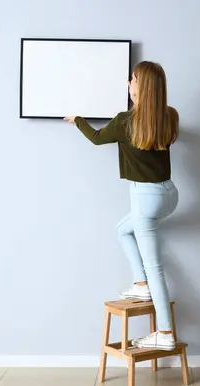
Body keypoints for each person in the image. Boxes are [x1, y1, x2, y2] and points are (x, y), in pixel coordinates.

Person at [64, 61, 179, 351]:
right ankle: (140, 285)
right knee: (121, 230)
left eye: (132, 79)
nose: (128, 83)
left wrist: (78, 120)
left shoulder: (124, 121)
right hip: (169, 195)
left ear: (140, 87)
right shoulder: (170, 116)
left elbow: (97, 138)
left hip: (145, 197)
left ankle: (165, 332)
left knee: (156, 270)